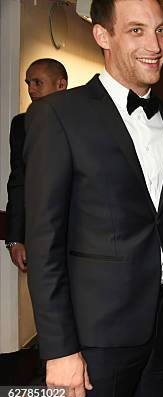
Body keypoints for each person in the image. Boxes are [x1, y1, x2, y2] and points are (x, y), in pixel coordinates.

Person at [24, 0, 163, 397]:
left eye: (161, 30)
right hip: (97, 335)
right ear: (103, 36)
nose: (155, 44)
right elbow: (44, 242)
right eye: (136, 30)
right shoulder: (57, 115)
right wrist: (60, 349)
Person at [5, 58, 68, 273]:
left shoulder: (83, 121)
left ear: (61, 85)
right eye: (28, 83)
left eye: (37, 82)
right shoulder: (21, 124)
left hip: (82, 237)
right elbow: (18, 181)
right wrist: (14, 239)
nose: (31, 89)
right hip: (39, 238)